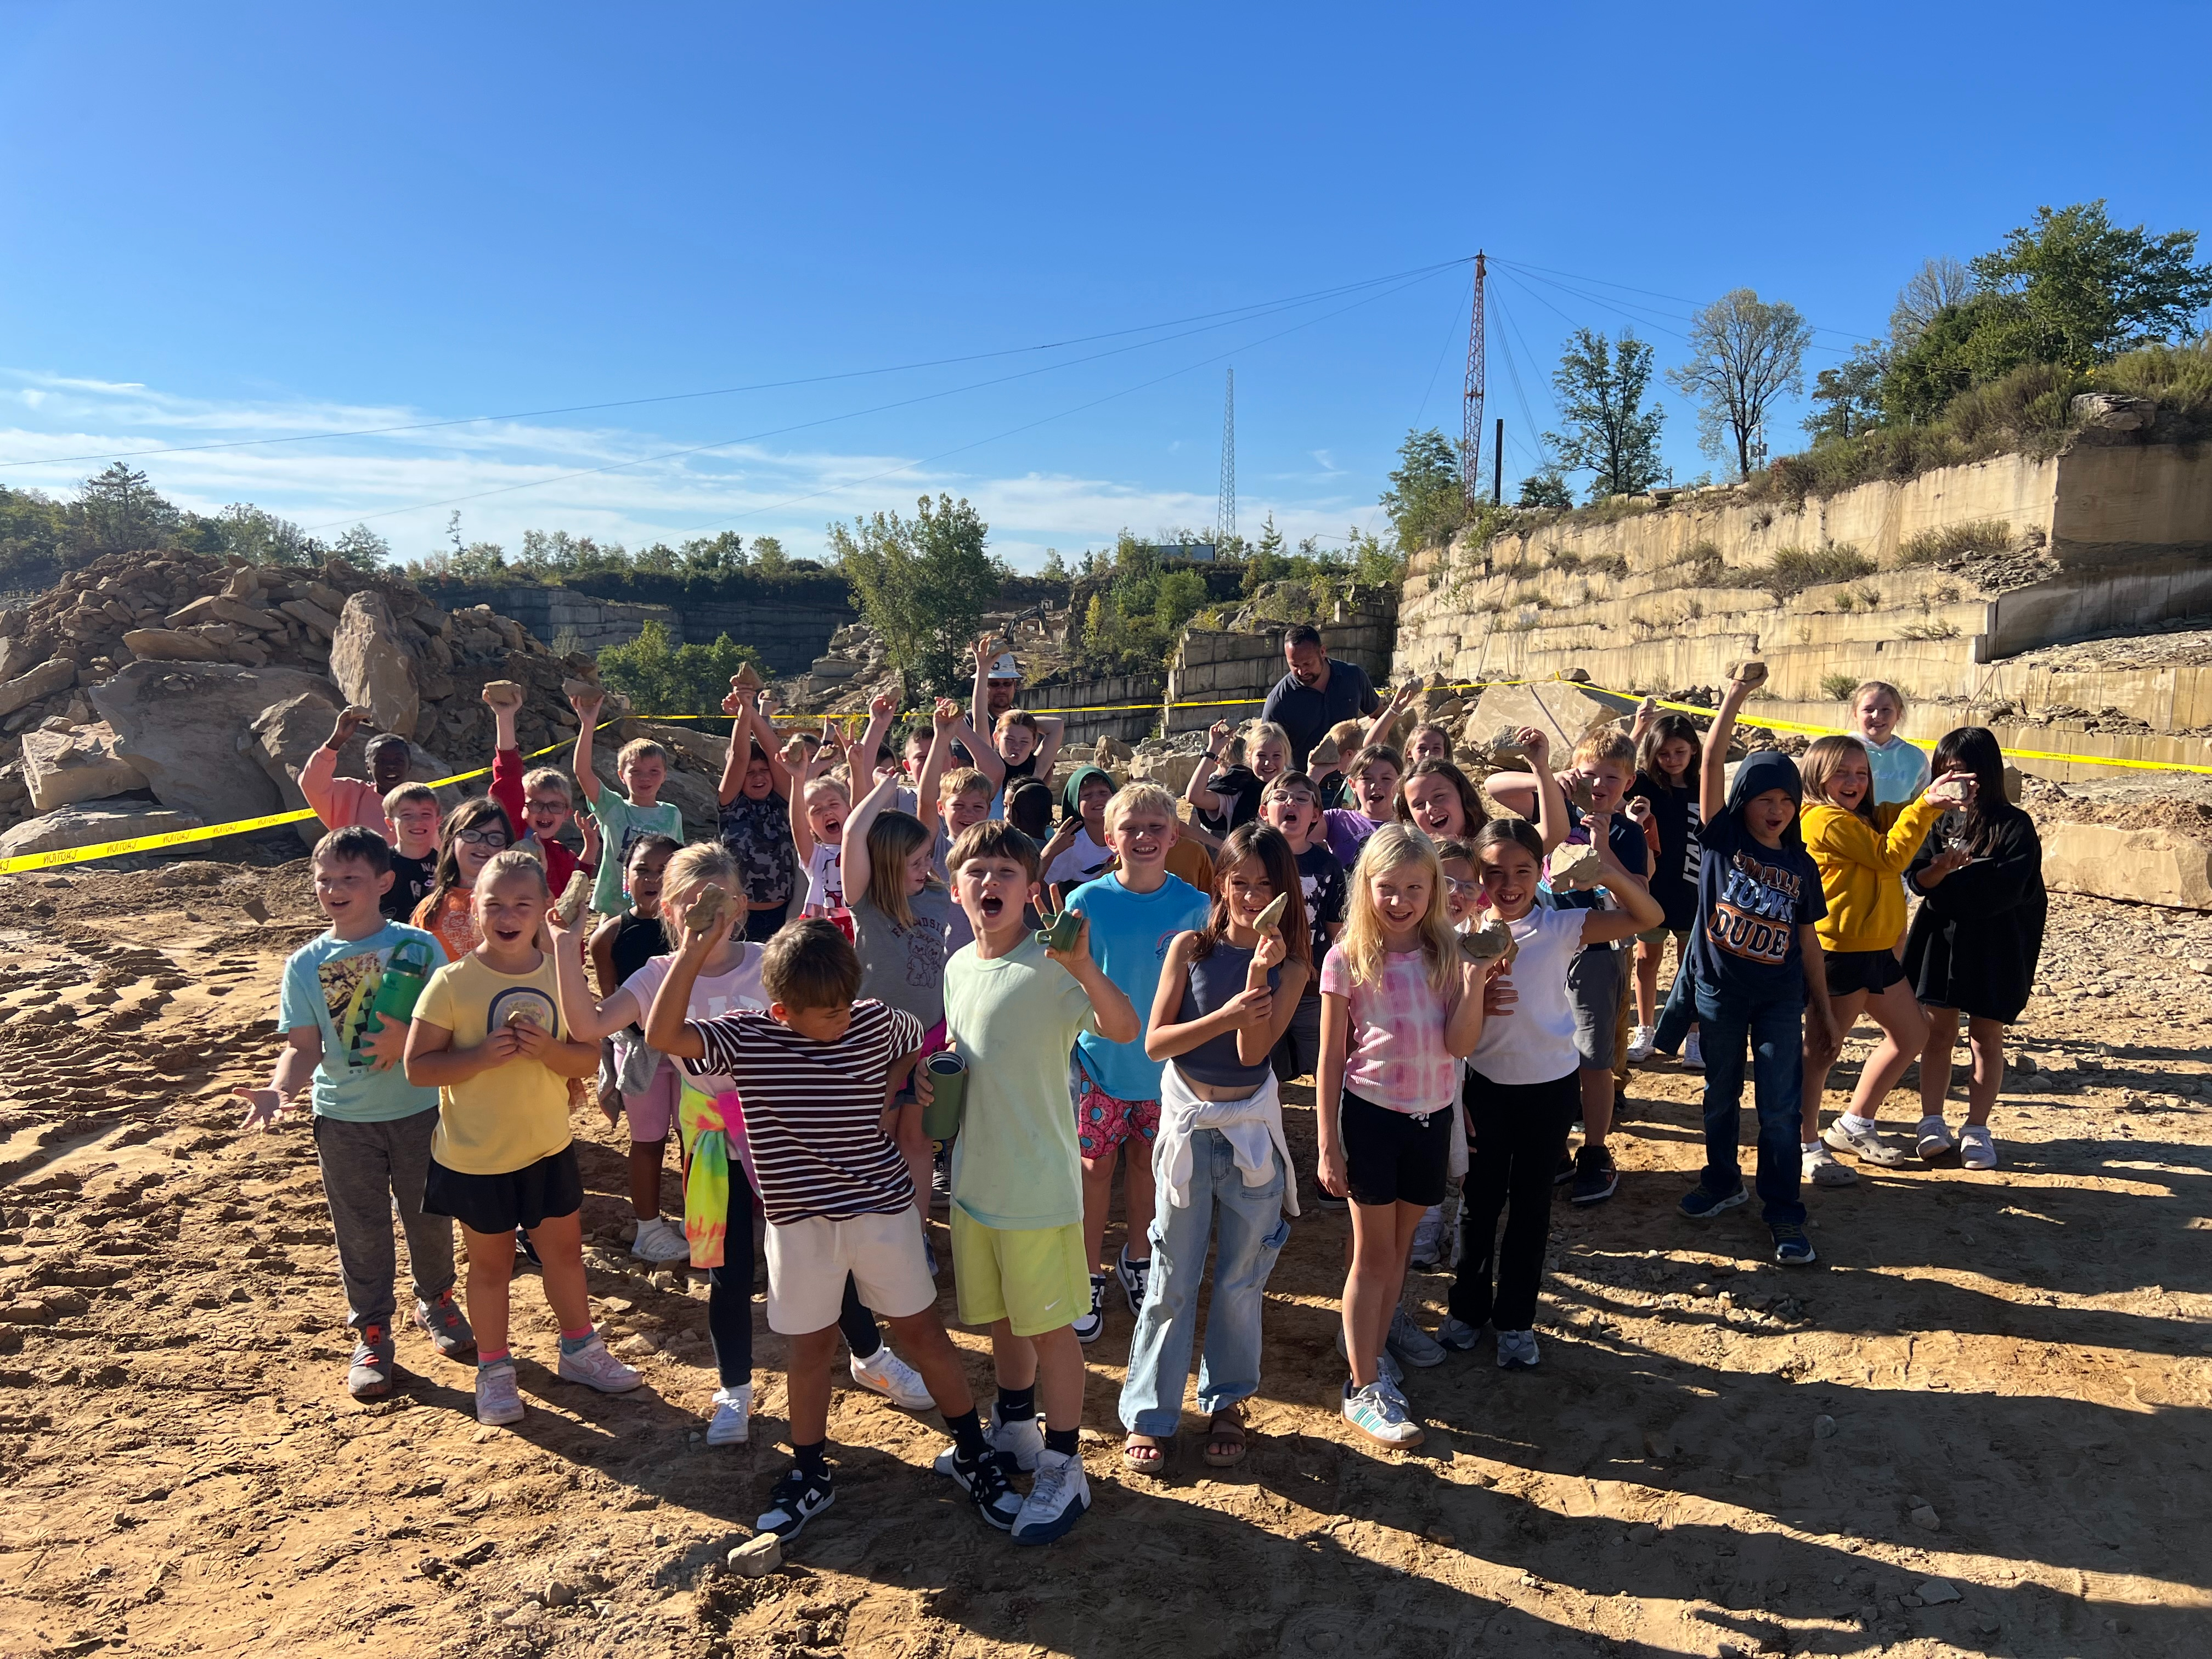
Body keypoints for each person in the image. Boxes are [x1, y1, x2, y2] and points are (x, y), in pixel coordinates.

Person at [646, 917, 1024, 1538]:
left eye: (847, 1004)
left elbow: (916, 1039)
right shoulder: (746, 1038)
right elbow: (663, 1034)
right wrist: (688, 954)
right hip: (799, 1225)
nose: (842, 1019)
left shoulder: (874, 1019)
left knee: (924, 1332)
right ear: (781, 1011)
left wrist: (896, 1084)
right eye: (825, 1013)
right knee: (810, 1349)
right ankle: (811, 1470)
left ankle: (972, 1454)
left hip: (882, 1211)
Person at [941, 821, 1141, 1544]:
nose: (989, 883)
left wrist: (1084, 966)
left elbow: (1123, 1029)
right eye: (977, 871)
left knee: (1051, 1329)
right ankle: (1017, 1428)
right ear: (955, 885)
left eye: (1005, 872)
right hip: (975, 1183)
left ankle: (1065, 1466)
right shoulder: (959, 964)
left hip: (1038, 1189)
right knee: (1002, 1318)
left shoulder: (1053, 965)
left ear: (1031, 890)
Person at [403, 849, 643, 1425]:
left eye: (522, 904)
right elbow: (418, 1067)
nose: (507, 915)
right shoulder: (451, 982)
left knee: (563, 1254)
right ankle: (494, 1368)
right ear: (473, 908)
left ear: (544, 912)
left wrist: (551, 1052)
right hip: (475, 1156)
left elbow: (585, 1058)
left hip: (546, 1147)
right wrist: (479, 1056)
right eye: (494, 904)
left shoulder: (557, 976)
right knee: (492, 1267)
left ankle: (580, 1349)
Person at [236, 827, 472, 1398]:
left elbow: (446, 1020)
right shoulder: (304, 963)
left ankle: (436, 1300)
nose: (335, 889)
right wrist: (279, 1089)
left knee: (429, 1215)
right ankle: (371, 1330)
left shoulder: (418, 948)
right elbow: (303, 1045)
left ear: (383, 882)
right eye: (325, 880)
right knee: (360, 1230)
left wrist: (407, 1042)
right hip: (342, 1119)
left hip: (419, 1110)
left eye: (351, 879)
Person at [1120, 823, 1308, 1475]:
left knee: (1239, 1280)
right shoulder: (1189, 948)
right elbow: (1156, 1042)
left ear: (1284, 892)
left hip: (1248, 1133)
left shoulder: (1293, 967)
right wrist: (1229, 1011)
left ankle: (1227, 1402)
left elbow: (1254, 1057)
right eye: (1241, 882)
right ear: (1220, 883)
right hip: (1188, 1132)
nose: (1252, 897)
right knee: (1172, 1274)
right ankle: (1150, 1413)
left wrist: (1261, 979)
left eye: (1265, 885)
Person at [1442, 810, 1661, 1367]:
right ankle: (1466, 1311)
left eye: (1521, 872)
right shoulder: (1458, 935)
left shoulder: (1562, 925)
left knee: (1533, 1208)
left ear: (1540, 872)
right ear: (1477, 875)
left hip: (1549, 1089)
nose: (1508, 886)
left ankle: (1516, 1323)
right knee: (1479, 1205)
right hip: (1483, 1088)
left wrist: (1604, 875)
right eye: (1493, 873)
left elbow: (1649, 916)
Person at [1316, 825, 1493, 1449]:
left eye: (1414, 888)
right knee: (1371, 1255)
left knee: (1398, 1254)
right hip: (1371, 1118)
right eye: (1387, 888)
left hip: (1431, 1118)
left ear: (1434, 889)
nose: (1400, 901)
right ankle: (1363, 1386)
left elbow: (1460, 1045)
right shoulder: (1346, 957)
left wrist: (1474, 983)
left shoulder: (1450, 953)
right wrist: (1327, 1143)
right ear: (1367, 887)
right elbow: (1331, 1059)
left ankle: (1378, 1339)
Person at [1677, 670, 1841, 1266]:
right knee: (1719, 1096)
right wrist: (1734, 699)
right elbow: (1711, 760)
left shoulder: (1801, 866)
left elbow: (1810, 943)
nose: (1776, 810)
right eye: (1764, 799)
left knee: (1778, 1107)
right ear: (1744, 801)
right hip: (1721, 994)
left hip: (1779, 998)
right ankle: (1722, 1181)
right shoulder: (1721, 838)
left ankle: (1784, 1209)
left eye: (1786, 801)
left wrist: (1822, 1012)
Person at [1063, 785, 1212, 1345]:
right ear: (1110, 836)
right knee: (1094, 1171)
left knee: (1148, 1167)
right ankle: (1086, 1270)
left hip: (1165, 1073)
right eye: (1132, 827)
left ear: (1175, 836)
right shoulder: (1086, 902)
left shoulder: (1196, 905)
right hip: (1099, 1064)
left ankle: (1138, 1255)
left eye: (1156, 827)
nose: (1144, 837)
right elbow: (1068, 980)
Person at [1798, 737, 1972, 1182]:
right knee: (1822, 1052)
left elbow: (1894, 816)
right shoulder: (1822, 819)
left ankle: (1854, 1122)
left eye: (1861, 773)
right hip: (1838, 953)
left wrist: (1932, 796)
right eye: (1842, 773)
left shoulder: (1863, 816)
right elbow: (1889, 855)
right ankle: (1805, 1143)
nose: (1854, 782)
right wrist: (1925, 807)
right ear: (1818, 777)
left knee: (1913, 1033)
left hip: (1875, 952)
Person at [1486, 727, 1643, 1205]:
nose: (1598, 786)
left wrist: (1604, 853)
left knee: (1593, 1058)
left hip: (1595, 953)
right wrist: (1549, 774)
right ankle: (1554, 1148)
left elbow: (1639, 895)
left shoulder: (1627, 832)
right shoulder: (1556, 808)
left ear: (1629, 782)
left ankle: (1595, 1150)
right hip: (1541, 948)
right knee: (1545, 1043)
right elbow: (1495, 787)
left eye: (1611, 778)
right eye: (1590, 774)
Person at [1901, 727, 2046, 1172]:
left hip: (1995, 944)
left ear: (1987, 772)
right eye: (1945, 771)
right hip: (1940, 940)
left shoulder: (2014, 824)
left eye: (1963, 771)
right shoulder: (1933, 819)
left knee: (1985, 1037)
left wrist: (1949, 887)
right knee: (1937, 1034)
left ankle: (1977, 1128)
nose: (1955, 780)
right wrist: (1941, 871)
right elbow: (1916, 878)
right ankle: (1932, 1121)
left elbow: (2011, 889)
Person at [579, 834, 689, 1262]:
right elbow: (611, 1011)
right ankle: (648, 1229)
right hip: (641, 1053)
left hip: (688, 1051)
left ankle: (697, 1218)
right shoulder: (608, 936)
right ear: (626, 877)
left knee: (694, 1138)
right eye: (643, 868)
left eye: (665, 870)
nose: (653, 878)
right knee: (648, 1140)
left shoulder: (690, 933)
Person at [1260, 772, 1347, 1116]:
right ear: (1265, 810)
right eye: (1281, 796)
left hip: (1314, 985)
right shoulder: (1256, 859)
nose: (1291, 803)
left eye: (1301, 798)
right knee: (1266, 1067)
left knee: (1323, 1061)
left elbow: (1336, 929)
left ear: (1316, 815)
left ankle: (1331, 1139)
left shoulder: (1328, 865)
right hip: (1264, 982)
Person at [1624, 706, 1704, 1065]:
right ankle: (1645, 1029)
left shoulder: (1705, 789)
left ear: (1693, 751)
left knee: (1694, 965)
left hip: (1693, 893)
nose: (1672, 760)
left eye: (1680, 752)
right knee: (1646, 959)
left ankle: (1694, 1036)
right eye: (1665, 753)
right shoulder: (1644, 785)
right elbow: (1615, 767)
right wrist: (1638, 729)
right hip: (1651, 894)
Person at [571, 687, 685, 917]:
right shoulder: (613, 807)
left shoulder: (672, 814)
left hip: (659, 908)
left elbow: (678, 862)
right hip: (614, 906)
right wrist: (588, 724)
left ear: (665, 775)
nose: (645, 778)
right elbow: (582, 772)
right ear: (622, 776)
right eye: (636, 771)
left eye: (654, 771)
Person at [484, 682, 590, 894]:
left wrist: (592, 846)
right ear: (522, 808)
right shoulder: (513, 833)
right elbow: (508, 775)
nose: (545, 812)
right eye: (536, 805)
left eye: (555, 806)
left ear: (567, 813)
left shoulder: (560, 854)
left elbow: (579, 880)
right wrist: (505, 717)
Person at [715, 685, 801, 941]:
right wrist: (744, 711)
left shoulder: (784, 800)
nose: (758, 777)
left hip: (785, 912)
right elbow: (740, 758)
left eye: (764, 771)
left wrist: (749, 708)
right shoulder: (730, 805)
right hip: (740, 916)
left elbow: (776, 755)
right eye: (751, 773)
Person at [1262, 623, 1381, 770]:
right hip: (1306, 786)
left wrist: (1368, 755)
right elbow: (1265, 748)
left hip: (1352, 781)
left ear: (1323, 652)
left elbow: (1378, 716)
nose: (1302, 672)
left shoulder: (1353, 676)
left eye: (1307, 664)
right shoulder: (1279, 700)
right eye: (1295, 666)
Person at [411, 796, 517, 963]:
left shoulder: (520, 905)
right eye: (471, 834)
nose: (483, 844)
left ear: (507, 848)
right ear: (452, 842)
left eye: (495, 838)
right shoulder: (428, 909)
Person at [301, 706, 413, 836]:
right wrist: (337, 739)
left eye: (398, 760)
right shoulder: (352, 797)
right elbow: (312, 784)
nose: (391, 766)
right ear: (368, 768)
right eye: (381, 760)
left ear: (409, 765)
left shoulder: (422, 802)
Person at [788, 721, 855, 926]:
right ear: (809, 825)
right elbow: (797, 826)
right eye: (816, 811)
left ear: (850, 810)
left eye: (833, 804)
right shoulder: (816, 855)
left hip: (859, 925)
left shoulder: (864, 847)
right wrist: (797, 780)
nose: (827, 812)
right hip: (823, 929)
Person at [1186, 719, 1290, 833]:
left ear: (1286, 757)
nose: (1268, 763)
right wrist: (1213, 750)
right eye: (1261, 755)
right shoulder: (1237, 790)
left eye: (1276, 756)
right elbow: (1195, 797)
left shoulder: (1296, 791)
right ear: (1249, 756)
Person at [1041, 766, 1116, 901]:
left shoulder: (1127, 835)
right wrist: (1049, 853)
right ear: (1075, 802)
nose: (1097, 799)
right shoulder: (1070, 846)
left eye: (1104, 792)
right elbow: (1038, 883)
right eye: (1087, 795)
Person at [1851, 680, 1930, 808]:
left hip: (1899, 827)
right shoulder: (1838, 752)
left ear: (1898, 714)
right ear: (1855, 713)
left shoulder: (1915, 758)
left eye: (1886, 710)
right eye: (1869, 710)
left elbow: (1922, 804)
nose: (1877, 716)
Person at [1322, 744, 1402, 868]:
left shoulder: (1409, 825)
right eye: (1367, 778)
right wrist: (1315, 775)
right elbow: (1298, 826)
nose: (1376, 785)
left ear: (1399, 784)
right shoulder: (1336, 820)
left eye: (1386, 778)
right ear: (1353, 785)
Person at [380, 782, 443, 922]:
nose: (417, 821)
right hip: (389, 940)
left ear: (438, 821)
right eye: (407, 815)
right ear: (390, 824)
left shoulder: (445, 864)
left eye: (426, 814)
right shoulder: (379, 864)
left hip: (433, 939)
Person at [1395, 758, 1488, 842]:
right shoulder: (1413, 860)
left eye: (1439, 796)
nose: (1430, 808)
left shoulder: (1493, 847)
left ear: (1463, 794)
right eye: (1419, 804)